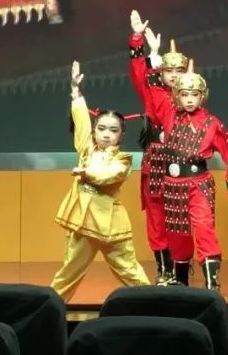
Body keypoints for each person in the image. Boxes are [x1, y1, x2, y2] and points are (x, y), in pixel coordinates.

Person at [131, 27, 228, 289]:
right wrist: (148, 51)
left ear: (202, 95)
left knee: (204, 229)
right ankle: (179, 284)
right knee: (177, 235)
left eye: (194, 94)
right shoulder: (168, 111)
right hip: (171, 183)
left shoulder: (212, 122)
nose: (190, 99)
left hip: (197, 183)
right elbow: (149, 85)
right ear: (176, 95)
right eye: (184, 94)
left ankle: (211, 284)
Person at [50, 61, 151, 301]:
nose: (106, 134)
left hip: (111, 226)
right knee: (68, 272)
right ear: (95, 130)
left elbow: (109, 176)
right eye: (102, 128)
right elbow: (81, 124)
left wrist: (85, 173)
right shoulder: (86, 150)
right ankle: (49, 308)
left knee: (131, 272)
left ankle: (155, 304)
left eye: (113, 130)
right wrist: (76, 92)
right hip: (84, 222)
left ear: (121, 135)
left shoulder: (123, 160)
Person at [128, 9, 186, 284]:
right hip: (155, 163)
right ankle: (164, 269)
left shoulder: (191, 99)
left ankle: (181, 267)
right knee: (157, 218)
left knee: (181, 218)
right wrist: (140, 42)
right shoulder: (153, 93)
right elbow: (139, 72)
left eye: (179, 71)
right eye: (168, 71)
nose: (173, 76)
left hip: (183, 164)